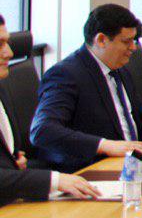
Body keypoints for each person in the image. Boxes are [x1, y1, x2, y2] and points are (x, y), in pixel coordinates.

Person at [30, 4, 142, 173]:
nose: (133, 48)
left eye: (134, 41)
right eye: (126, 41)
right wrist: (106, 145)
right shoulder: (66, 74)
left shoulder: (118, 68)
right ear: (101, 40)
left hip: (135, 160)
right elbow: (43, 130)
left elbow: (134, 112)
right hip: (94, 167)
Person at [0, 13, 101, 203]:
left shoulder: (2, 87)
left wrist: (13, 163)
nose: (9, 53)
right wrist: (55, 181)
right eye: (0, 44)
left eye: (7, 43)